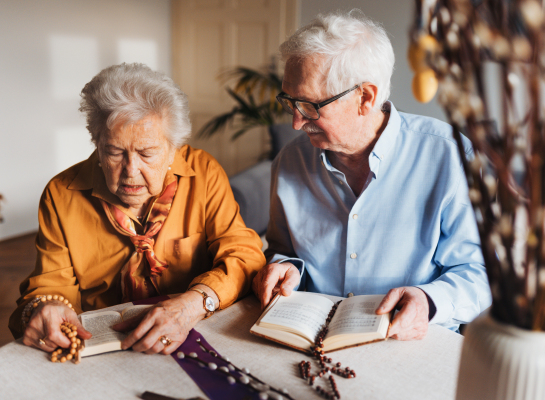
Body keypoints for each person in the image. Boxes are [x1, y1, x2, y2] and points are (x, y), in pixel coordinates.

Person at [252, 10, 492, 339]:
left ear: (365, 97)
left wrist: (429, 301)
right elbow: (282, 250)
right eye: (289, 101)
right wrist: (286, 268)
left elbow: (480, 273)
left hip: (408, 345)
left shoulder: (451, 158)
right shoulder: (289, 162)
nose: (295, 122)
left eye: (309, 106)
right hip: (310, 341)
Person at [10, 63, 266, 354]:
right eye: (115, 152)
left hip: (192, 330)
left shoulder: (204, 173)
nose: (131, 171)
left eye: (147, 153)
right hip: (101, 345)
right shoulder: (61, 193)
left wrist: (194, 303)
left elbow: (244, 255)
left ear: (174, 148)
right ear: (97, 143)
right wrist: (46, 306)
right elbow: (49, 285)